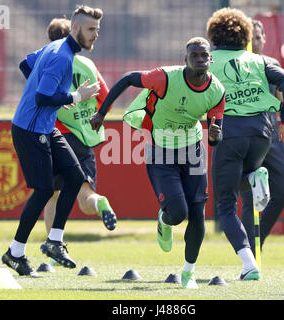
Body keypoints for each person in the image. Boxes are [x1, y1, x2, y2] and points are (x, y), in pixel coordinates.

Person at [90, 37, 226, 289]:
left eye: (203, 55)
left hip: (193, 150)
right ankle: (164, 221)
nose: (198, 59)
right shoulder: (164, 78)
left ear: (210, 59)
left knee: (197, 214)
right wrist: (102, 113)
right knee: (178, 213)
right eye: (193, 55)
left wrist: (216, 136)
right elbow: (128, 79)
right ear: (184, 59)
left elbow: (216, 136)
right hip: (161, 149)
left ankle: (189, 273)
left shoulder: (217, 91)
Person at [2, 5, 102, 277]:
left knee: (74, 176)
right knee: (45, 191)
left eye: (98, 30)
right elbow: (42, 99)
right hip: (30, 129)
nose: (96, 35)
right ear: (77, 28)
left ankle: (55, 241)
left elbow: (26, 64)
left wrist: (55, 93)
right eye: (92, 29)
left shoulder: (58, 46)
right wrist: (74, 97)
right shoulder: (61, 56)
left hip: (44, 126)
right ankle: (15, 253)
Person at [206, 8, 284, 280]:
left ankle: (249, 264)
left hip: (229, 133)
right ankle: (253, 177)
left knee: (225, 203)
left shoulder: (208, 60)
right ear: (246, 35)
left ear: (213, 34)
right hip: (261, 133)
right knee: (242, 185)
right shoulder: (259, 63)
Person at [39, 18, 117, 235]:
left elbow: (41, 100)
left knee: (52, 196)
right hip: (82, 139)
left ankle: (54, 248)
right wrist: (91, 117)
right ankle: (99, 201)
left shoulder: (48, 63)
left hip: (57, 137)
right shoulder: (87, 65)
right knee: (85, 199)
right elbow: (106, 98)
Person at [240, 19, 284, 255]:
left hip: (272, 134)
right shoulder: (234, 66)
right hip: (245, 136)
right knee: (248, 199)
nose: (254, 41)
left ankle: (258, 240)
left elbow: (281, 101)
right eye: (250, 37)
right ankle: (250, 254)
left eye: (258, 36)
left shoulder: (272, 65)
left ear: (264, 38)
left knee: (282, 193)